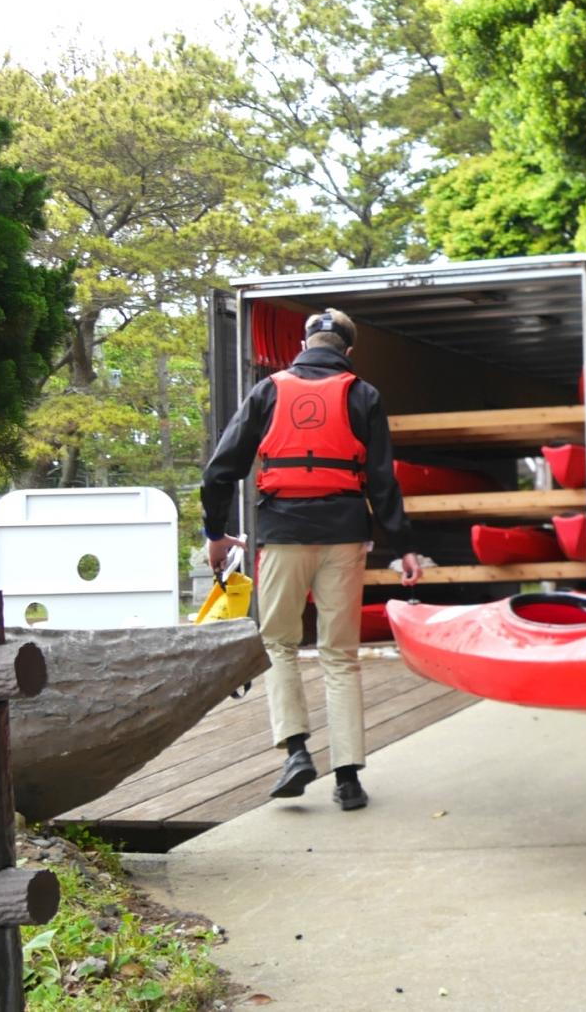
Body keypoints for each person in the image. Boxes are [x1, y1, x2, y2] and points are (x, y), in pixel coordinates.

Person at [202, 308, 423, 812]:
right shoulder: (363, 394)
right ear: (347, 351)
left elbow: (221, 470)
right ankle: (348, 780)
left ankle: (297, 751)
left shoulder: (267, 391)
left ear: (304, 344)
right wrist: (404, 545)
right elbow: (384, 481)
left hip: (281, 534)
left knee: (278, 643)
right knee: (339, 654)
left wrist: (216, 532)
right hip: (344, 535)